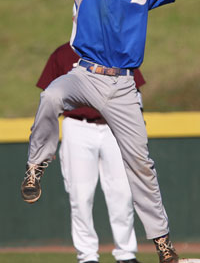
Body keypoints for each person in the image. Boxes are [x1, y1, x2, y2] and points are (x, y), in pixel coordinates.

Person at [21, 0, 197, 263]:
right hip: (84, 73)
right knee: (51, 94)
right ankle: (36, 165)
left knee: (141, 165)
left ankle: (162, 242)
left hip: (122, 84)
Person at [36, 41, 146, 263]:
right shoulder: (62, 54)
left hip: (114, 127)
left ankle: (126, 254)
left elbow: (135, 93)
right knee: (80, 195)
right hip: (77, 125)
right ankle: (86, 256)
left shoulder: (116, 49)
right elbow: (49, 98)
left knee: (122, 194)